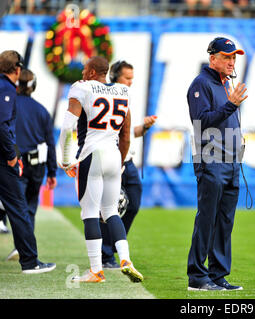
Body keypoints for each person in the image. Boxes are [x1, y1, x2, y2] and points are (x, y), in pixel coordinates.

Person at [59, 56, 143, 283]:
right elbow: (125, 136)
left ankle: (96, 270)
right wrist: (122, 162)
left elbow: (67, 128)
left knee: (89, 214)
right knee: (111, 212)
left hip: (92, 155)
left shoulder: (82, 88)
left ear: (93, 71)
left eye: (85, 69)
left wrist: (66, 160)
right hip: (115, 156)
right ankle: (126, 259)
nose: (82, 73)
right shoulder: (123, 91)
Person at [186, 37, 248, 291]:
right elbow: (201, 121)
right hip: (211, 160)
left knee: (224, 221)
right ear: (213, 59)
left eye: (234, 57)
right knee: (207, 219)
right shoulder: (200, 84)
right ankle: (197, 277)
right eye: (227, 57)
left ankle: (217, 275)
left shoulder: (225, 84)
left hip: (231, 162)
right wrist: (231, 105)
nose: (232, 62)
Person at [0, 50, 56, 274]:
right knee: (20, 208)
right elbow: (3, 126)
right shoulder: (6, 89)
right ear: (17, 69)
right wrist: (13, 156)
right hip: (7, 162)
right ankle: (30, 261)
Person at [100, 60, 157, 269]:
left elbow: (129, 132)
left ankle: (115, 243)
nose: (131, 82)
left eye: (132, 78)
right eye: (127, 78)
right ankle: (106, 255)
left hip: (127, 159)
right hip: (112, 160)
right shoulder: (106, 95)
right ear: (114, 76)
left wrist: (145, 127)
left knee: (132, 203)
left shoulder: (125, 97)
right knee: (109, 208)